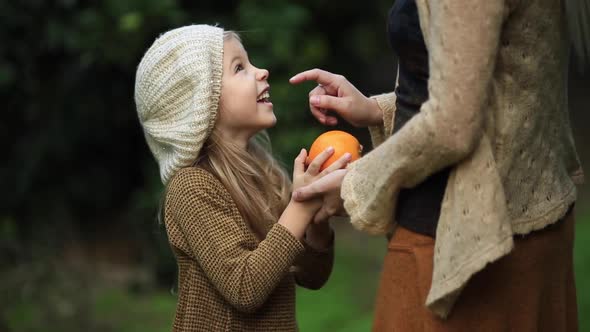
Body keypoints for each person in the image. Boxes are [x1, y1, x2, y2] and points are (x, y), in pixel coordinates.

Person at [290, 0, 588, 330]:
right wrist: (379, 110)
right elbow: (498, 90)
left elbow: (451, 127)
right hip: (518, 227)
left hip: (466, 248)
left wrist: (354, 184)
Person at [134, 25, 350, 331]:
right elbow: (244, 288)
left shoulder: (265, 175)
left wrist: (316, 220)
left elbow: (312, 277)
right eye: (239, 67)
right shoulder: (192, 187)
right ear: (200, 103)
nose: (261, 71)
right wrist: (300, 207)